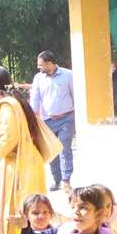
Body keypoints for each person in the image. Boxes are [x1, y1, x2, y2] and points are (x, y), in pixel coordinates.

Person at [0, 66, 62, 234]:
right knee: (29, 213)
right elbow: (0, 134)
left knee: (19, 214)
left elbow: (10, 136)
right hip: (25, 164)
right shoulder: (16, 102)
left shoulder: (7, 105)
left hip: (20, 167)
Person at [29, 50, 77, 192]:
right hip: (47, 121)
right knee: (51, 151)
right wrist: (33, 117)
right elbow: (35, 99)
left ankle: (66, 180)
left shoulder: (68, 75)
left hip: (67, 118)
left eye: (41, 65)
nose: (39, 68)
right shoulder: (38, 78)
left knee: (64, 148)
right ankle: (57, 180)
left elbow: (76, 95)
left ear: (49, 63)